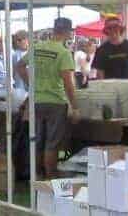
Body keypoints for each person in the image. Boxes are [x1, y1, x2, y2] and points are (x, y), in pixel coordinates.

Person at [17, 18, 79, 179]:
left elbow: (19, 65)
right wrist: (76, 107)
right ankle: (50, 176)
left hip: (37, 101)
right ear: (68, 32)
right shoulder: (64, 53)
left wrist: (31, 82)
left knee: (37, 140)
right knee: (52, 143)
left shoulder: (37, 48)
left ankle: (36, 174)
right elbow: (68, 83)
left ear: (53, 29)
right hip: (56, 102)